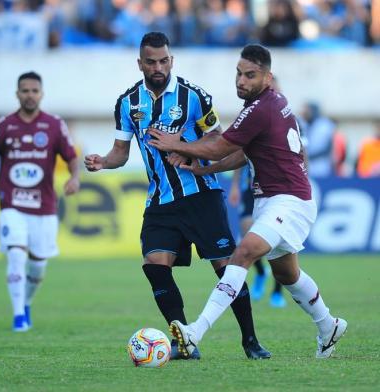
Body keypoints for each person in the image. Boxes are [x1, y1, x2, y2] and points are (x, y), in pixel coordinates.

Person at [148, 44, 347, 359]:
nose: (241, 81)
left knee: (242, 254)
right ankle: (329, 325)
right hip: (271, 200)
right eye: (239, 74)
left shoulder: (260, 109)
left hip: (289, 200)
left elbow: (220, 146)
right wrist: (208, 168)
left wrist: (178, 144)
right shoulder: (271, 103)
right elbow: (240, 153)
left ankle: (194, 332)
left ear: (267, 77)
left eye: (250, 75)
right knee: (287, 274)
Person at [84, 32, 270, 360]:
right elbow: (120, 153)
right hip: (160, 200)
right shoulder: (127, 103)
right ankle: (185, 340)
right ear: (140, 63)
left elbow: (218, 140)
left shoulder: (194, 96)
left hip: (201, 195)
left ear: (172, 60)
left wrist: (186, 148)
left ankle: (250, 341)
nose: (159, 67)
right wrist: (103, 162)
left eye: (164, 60)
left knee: (227, 267)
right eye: (152, 61)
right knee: (155, 263)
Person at [0, 71, 80, 332]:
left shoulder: (53, 124)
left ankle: (26, 303)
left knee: (38, 265)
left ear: (41, 93)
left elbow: (71, 156)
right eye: (25, 90)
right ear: (17, 93)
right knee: (16, 254)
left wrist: (75, 178)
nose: (30, 95)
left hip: (44, 206)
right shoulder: (5, 125)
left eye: (34, 90)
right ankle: (18, 317)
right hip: (12, 204)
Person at [228, 165, 286, 308]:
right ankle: (261, 272)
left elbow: (303, 157)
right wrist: (234, 185)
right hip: (251, 189)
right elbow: (239, 155)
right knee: (246, 237)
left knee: (277, 242)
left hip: (278, 191)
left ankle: (277, 293)